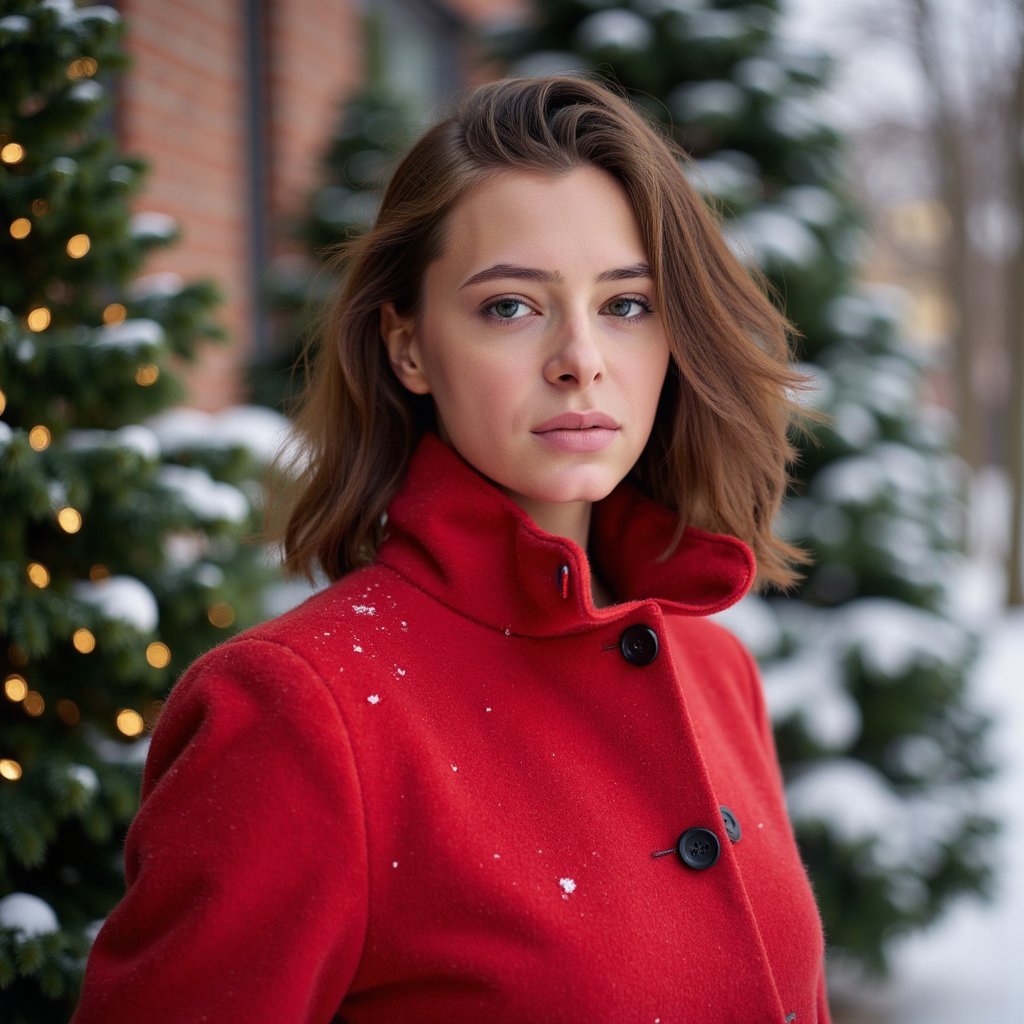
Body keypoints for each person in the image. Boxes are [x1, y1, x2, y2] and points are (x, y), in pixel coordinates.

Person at [73, 75, 831, 1023]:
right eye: (511, 306)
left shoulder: (714, 668)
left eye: (627, 305)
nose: (581, 357)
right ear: (409, 347)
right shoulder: (298, 713)